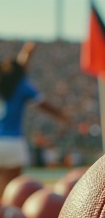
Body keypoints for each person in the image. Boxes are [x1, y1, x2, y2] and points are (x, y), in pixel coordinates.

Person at [0, 48, 69, 198]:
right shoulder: (21, 85)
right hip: (12, 141)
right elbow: (42, 103)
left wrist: (26, 54)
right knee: (11, 191)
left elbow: (17, 67)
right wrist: (62, 115)